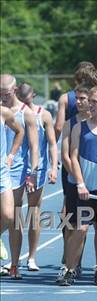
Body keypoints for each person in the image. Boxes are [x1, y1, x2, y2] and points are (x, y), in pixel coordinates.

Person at [59, 85, 97, 286]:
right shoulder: (80, 128)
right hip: (84, 190)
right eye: (90, 101)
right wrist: (80, 183)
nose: (90, 104)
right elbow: (73, 157)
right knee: (81, 228)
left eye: (94, 101)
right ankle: (69, 269)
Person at [16, 83, 58, 271]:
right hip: (16, 169)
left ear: (33, 96)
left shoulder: (44, 115)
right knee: (13, 214)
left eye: (27, 98)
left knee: (33, 213)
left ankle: (31, 256)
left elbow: (51, 143)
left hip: (37, 169)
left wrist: (54, 167)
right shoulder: (13, 113)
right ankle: (15, 257)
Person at [1, 74, 39, 279]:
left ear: (14, 91)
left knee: (14, 218)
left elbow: (34, 148)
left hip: (15, 172)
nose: (2, 97)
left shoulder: (27, 114)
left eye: (5, 94)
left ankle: (14, 265)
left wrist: (32, 172)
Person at [56, 84, 91, 282]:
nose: (77, 102)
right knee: (71, 222)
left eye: (82, 98)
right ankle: (70, 263)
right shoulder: (70, 123)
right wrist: (79, 180)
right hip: (73, 180)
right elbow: (66, 155)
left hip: (95, 181)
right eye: (76, 98)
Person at [0, 105, 24, 277]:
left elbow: (19, 132)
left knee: (9, 215)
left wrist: (11, 155)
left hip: (1, 171)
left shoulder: (4, 112)